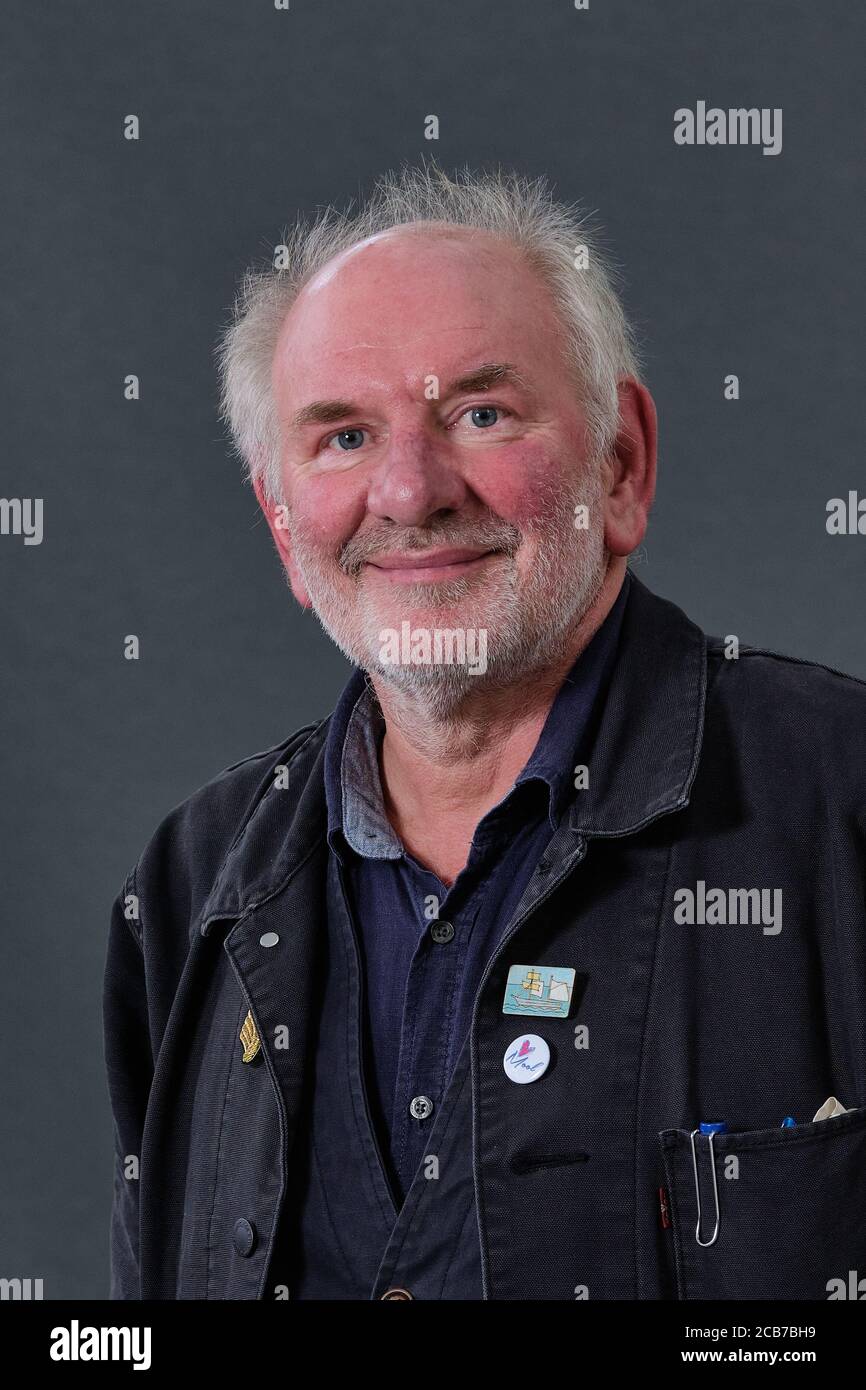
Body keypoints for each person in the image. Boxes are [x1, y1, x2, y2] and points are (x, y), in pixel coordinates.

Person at [103, 161, 866, 1301]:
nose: (408, 492)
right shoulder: (190, 888)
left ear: (620, 466)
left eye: (478, 413)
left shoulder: (842, 804)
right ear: (280, 525)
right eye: (344, 438)